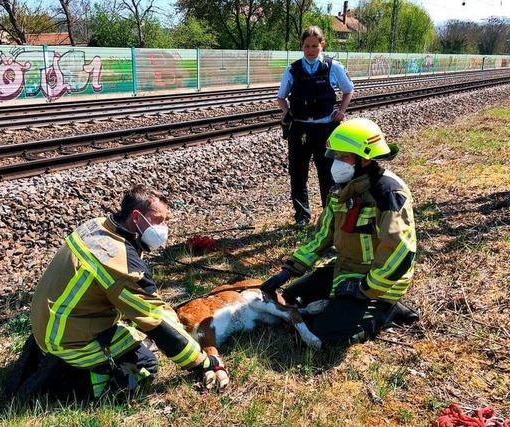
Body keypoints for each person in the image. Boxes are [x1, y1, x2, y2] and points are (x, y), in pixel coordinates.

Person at [28, 185, 223, 399]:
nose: (164, 228)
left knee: (133, 335)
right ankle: (88, 387)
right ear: (137, 218)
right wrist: (204, 362)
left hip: (47, 322)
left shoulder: (97, 225)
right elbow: (154, 319)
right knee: (144, 363)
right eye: (159, 220)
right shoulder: (120, 263)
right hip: (66, 341)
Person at [261, 118, 418, 346]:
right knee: (289, 299)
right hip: (345, 270)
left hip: (379, 283)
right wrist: (289, 269)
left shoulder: (387, 192)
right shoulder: (341, 190)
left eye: (343, 156)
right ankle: (341, 304)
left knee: (320, 336)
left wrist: (365, 289)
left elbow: (400, 252)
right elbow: (323, 236)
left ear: (364, 158)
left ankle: (386, 311)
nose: (336, 163)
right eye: (334, 156)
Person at [277, 26, 355, 225]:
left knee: (328, 173)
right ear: (302, 46)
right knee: (297, 173)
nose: (310, 50)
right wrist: (287, 114)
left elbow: (348, 91)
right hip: (300, 130)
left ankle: (329, 215)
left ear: (322, 45)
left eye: (314, 46)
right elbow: (281, 97)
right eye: (306, 46)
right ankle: (302, 216)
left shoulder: (333, 67)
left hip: (325, 129)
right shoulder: (292, 69)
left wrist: (341, 111)